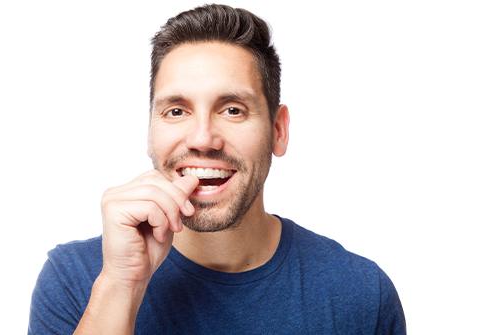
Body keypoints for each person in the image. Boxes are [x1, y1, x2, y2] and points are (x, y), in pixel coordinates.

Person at [28, 4, 406, 334]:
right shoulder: (76, 280)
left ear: (278, 130)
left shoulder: (361, 294)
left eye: (232, 110)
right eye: (176, 111)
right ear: (150, 130)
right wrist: (120, 286)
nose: (203, 139)